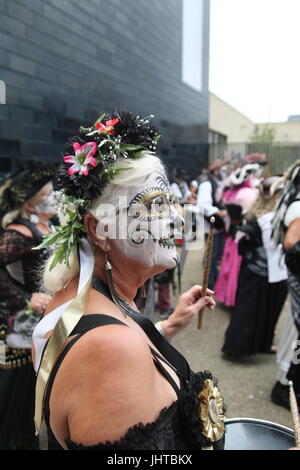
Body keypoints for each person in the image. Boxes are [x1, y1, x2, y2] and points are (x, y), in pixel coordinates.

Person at [32, 111, 226, 451]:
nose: (177, 220)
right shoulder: (110, 349)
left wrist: (167, 327)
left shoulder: (91, 291)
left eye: (173, 203)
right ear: (99, 229)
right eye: (156, 205)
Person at [0, 160, 56, 449]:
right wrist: (25, 298)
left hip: (48, 321)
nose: (55, 196)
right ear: (31, 206)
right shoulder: (18, 232)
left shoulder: (51, 224)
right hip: (21, 327)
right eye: (48, 194)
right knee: (21, 391)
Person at [222, 177, 288, 357]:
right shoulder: (268, 218)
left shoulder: (256, 213)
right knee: (249, 310)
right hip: (262, 272)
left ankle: (260, 345)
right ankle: (237, 348)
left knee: (260, 310)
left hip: (255, 269)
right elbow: (273, 247)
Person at [271, 160, 300, 411]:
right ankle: (283, 384)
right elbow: (291, 242)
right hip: (297, 277)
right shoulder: (299, 206)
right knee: (295, 331)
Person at [214, 163, 260, 307]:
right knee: (236, 267)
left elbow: (228, 215)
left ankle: (227, 297)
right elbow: (251, 216)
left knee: (230, 265)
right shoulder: (247, 194)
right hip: (240, 235)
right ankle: (234, 299)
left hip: (232, 234)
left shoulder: (230, 193)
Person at [196, 160, 228, 289]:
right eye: (221, 169)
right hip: (211, 226)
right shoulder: (207, 183)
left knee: (213, 255)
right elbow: (203, 205)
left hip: (217, 226)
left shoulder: (215, 181)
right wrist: (218, 212)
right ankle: (209, 282)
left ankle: (212, 278)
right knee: (212, 256)